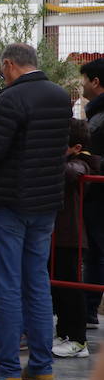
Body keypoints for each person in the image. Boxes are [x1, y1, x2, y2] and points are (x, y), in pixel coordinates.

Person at [0, 43, 71, 380]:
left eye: (2, 69)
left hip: (9, 201)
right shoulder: (59, 96)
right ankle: (42, 366)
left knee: (6, 285)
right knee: (37, 283)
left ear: (9, 64)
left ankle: (7, 368)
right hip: (45, 203)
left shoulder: (11, 98)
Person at [51, 119, 99, 358]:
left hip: (69, 237)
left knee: (70, 289)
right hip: (56, 235)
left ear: (77, 147)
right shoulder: (71, 160)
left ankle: (78, 339)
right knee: (58, 288)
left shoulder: (82, 163)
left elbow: (72, 173)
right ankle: (64, 333)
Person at [79, 58, 104, 328]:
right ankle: (88, 310)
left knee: (96, 253)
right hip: (94, 193)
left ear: (95, 82)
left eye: (84, 79)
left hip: (97, 194)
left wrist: (88, 163)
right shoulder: (95, 115)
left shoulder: (98, 118)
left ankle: (88, 311)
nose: (81, 85)